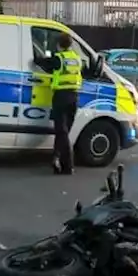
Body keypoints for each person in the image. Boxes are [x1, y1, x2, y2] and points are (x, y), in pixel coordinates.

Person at [35, 33, 83, 174]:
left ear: (58, 45)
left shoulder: (59, 59)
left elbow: (41, 62)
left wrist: (39, 56)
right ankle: (56, 160)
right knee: (64, 132)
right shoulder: (76, 59)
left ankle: (68, 166)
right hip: (74, 97)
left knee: (61, 132)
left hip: (61, 97)